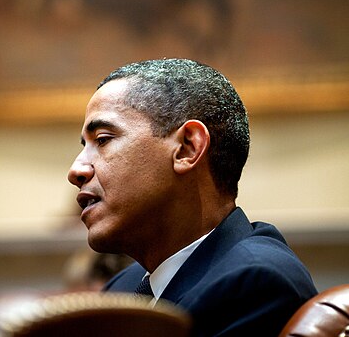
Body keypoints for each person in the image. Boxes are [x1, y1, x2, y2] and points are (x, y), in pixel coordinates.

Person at [68, 58, 317, 336]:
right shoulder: (123, 289)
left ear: (187, 148)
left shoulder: (255, 283)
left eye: (102, 139)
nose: (76, 170)